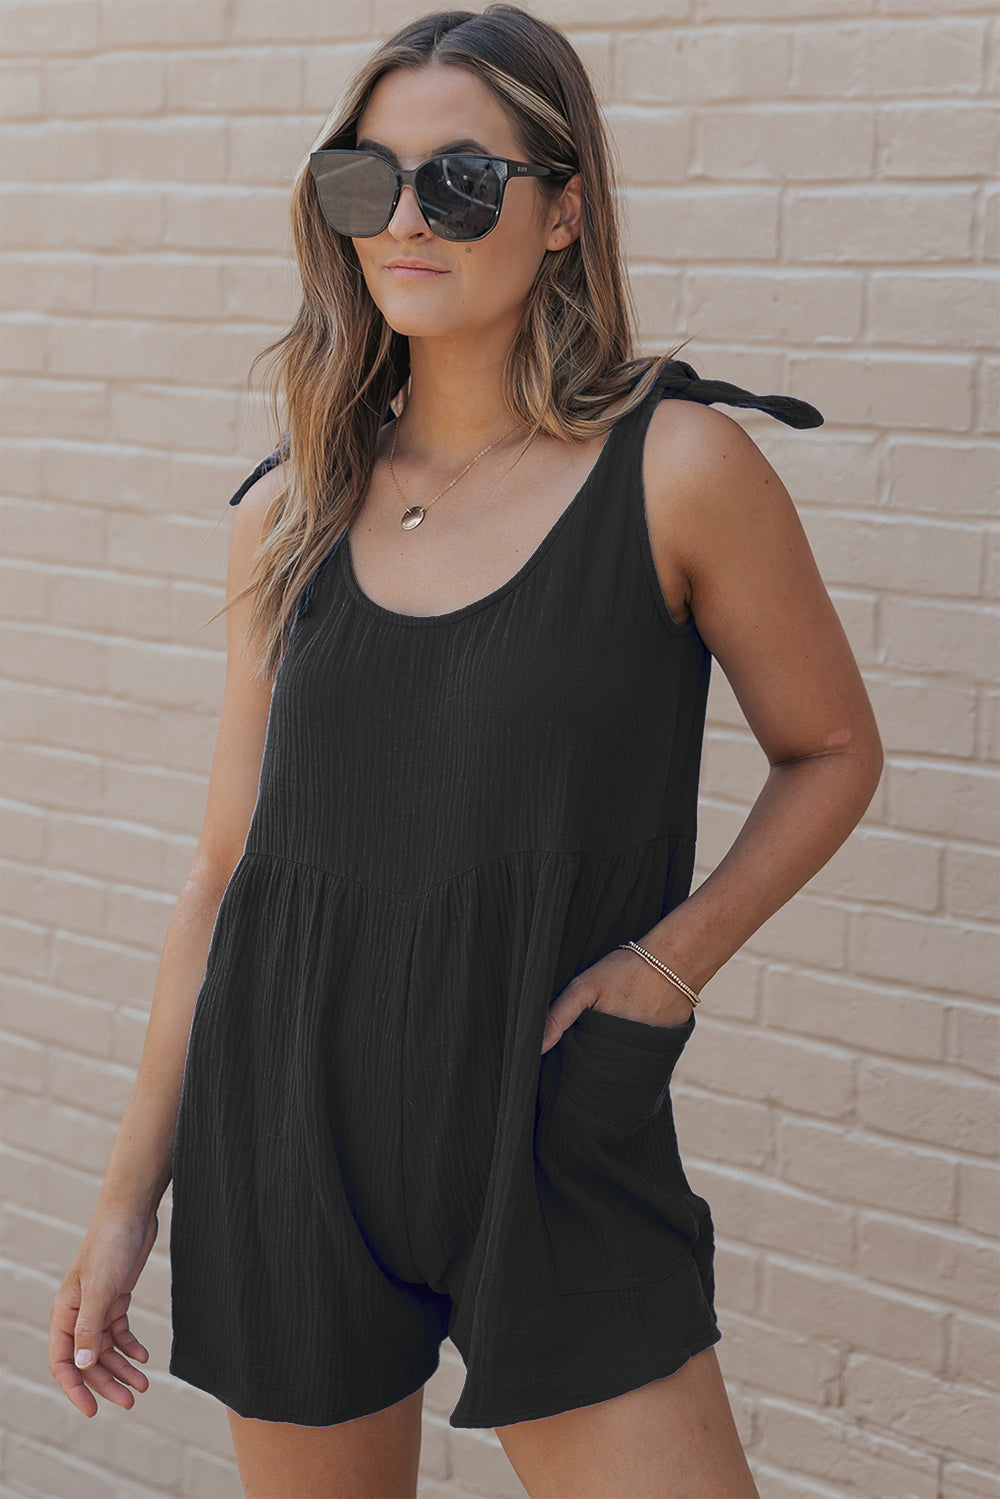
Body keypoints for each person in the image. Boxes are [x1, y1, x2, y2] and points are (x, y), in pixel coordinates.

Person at [48, 6, 883, 1496]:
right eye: (365, 181)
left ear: (564, 210)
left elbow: (830, 749)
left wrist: (667, 967)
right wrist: (126, 1206)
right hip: (287, 1125)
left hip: (549, 1118)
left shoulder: (679, 469)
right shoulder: (290, 509)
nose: (405, 221)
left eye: (461, 181)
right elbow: (224, 871)